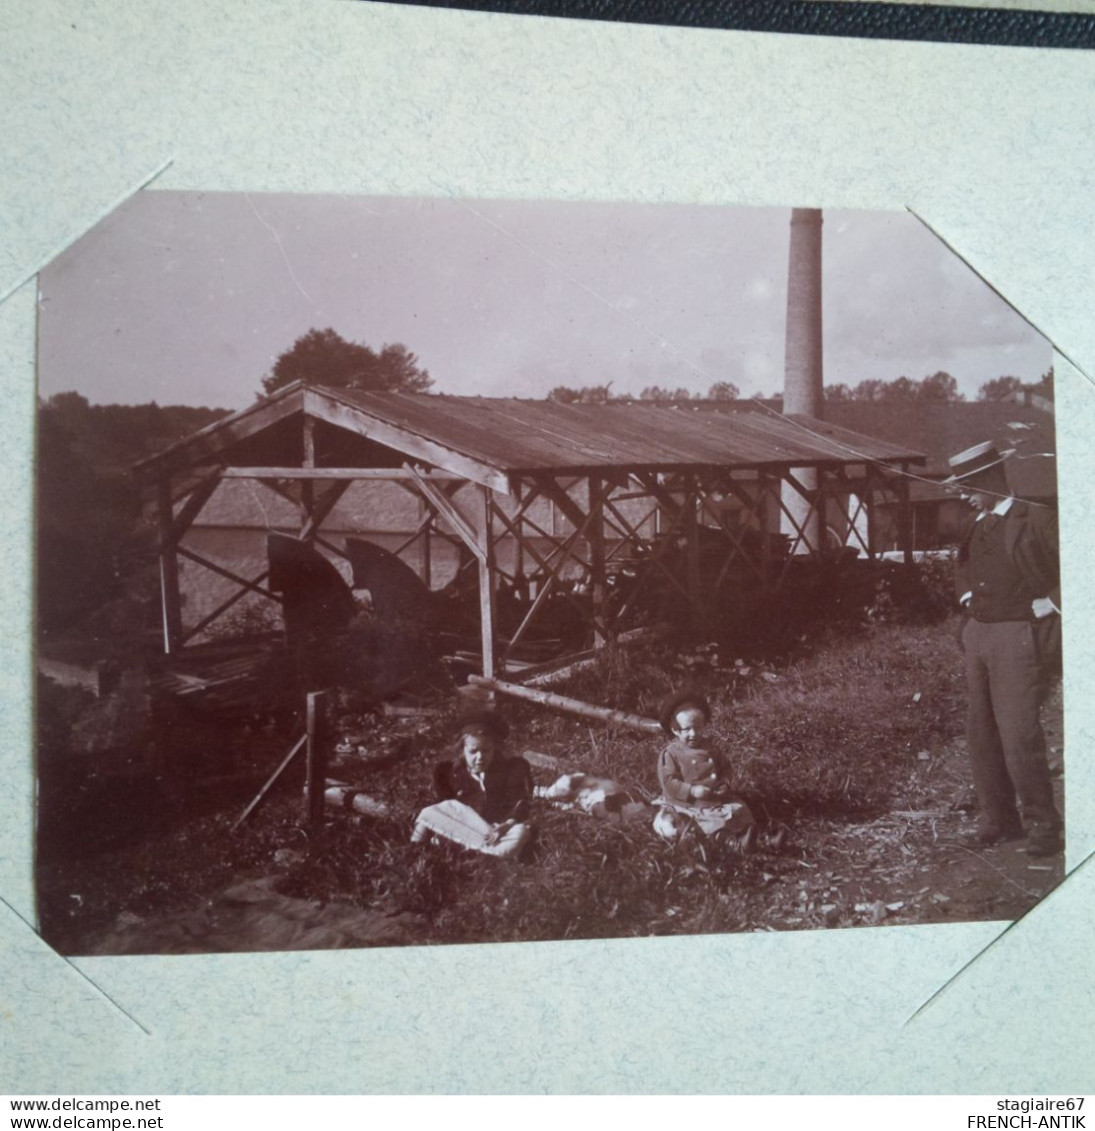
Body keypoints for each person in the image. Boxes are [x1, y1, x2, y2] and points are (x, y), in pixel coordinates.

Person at [946, 440, 1063, 857]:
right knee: (981, 734)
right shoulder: (975, 523)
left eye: (969, 484)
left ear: (993, 478)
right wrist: (965, 605)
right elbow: (960, 563)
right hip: (979, 634)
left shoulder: (1037, 517)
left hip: (1018, 635)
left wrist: (1053, 601)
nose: (963, 493)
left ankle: (1044, 826)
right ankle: (999, 819)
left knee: (1019, 734)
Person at [411, 710, 534, 858]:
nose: (480, 757)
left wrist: (506, 825)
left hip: (496, 832)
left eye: (486, 750)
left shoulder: (510, 769)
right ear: (462, 750)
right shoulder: (450, 773)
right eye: (473, 751)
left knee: (522, 832)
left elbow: (521, 801)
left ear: (495, 748)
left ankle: (468, 849)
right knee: (432, 811)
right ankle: (415, 851)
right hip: (465, 828)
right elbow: (445, 810)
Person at [652, 690, 756, 851]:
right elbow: (668, 782)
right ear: (675, 730)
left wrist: (726, 783)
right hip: (688, 804)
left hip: (714, 798)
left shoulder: (710, 748)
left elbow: (726, 767)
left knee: (740, 808)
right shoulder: (672, 753)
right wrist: (691, 791)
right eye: (687, 729)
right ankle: (732, 845)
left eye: (698, 728)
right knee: (705, 824)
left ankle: (754, 836)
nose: (693, 734)